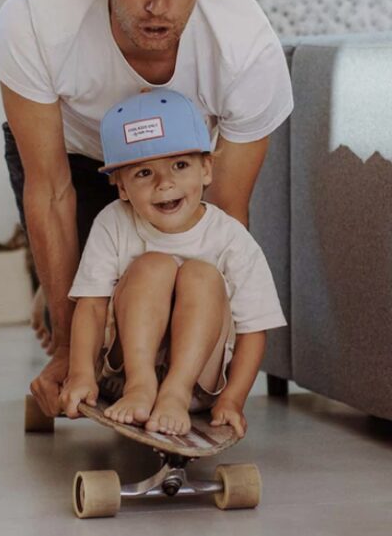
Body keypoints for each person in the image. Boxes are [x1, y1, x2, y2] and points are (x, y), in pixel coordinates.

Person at [0, 0, 293, 418]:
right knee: (89, 327)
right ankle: (58, 283)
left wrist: (204, 360)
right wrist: (70, 341)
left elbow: (225, 211)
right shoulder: (35, 18)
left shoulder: (246, 48)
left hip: (173, 167)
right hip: (75, 157)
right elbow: (50, 190)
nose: (157, 6)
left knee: (174, 286)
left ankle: (90, 286)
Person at [59, 89, 286, 437]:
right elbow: (91, 306)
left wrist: (233, 400)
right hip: (123, 377)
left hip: (197, 386)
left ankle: (174, 392)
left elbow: (253, 330)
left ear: (206, 169)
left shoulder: (230, 238)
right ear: (121, 187)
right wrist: (80, 374)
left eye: (180, 165)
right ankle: (141, 386)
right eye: (143, 173)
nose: (165, 184)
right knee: (153, 265)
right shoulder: (113, 222)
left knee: (201, 275)